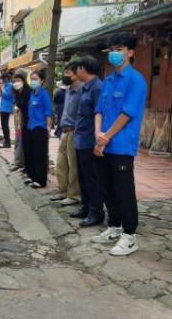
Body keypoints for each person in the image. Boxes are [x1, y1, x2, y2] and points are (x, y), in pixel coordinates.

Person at [91, 32, 147, 257]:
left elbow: (127, 114)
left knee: (124, 190)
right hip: (102, 144)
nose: (114, 53)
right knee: (106, 188)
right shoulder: (108, 80)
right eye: (112, 49)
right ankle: (114, 227)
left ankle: (130, 235)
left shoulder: (136, 81)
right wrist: (98, 134)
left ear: (131, 52)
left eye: (120, 49)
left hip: (121, 145)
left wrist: (106, 136)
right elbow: (99, 110)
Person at [72, 55, 105, 227]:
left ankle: (96, 212)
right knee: (83, 177)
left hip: (89, 140)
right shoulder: (86, 87)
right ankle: (85, 207)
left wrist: (96, 142)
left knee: (92, 178)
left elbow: (99, 115)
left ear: (82, 69)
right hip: (80, 139)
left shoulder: (97, 88)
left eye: (77, 68)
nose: (76, 71)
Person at [53, 61, 83, 207]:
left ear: (77, 73)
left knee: (73, 165)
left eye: (68, 72)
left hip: (74, 130)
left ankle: (74, 195)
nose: (65, 75)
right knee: (61, 163)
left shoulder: (82, 89)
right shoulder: (69, 90)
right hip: (64, 130)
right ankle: (63, 191)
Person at [24, 69, 52, 189]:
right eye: (32, 79)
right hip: (31, 127)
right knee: (32, 153)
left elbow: (48, 113)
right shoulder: (32, 93)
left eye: (35, 79)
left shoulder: (44, 94)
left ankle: (41, 180)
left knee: (40, 155)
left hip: (40, 127)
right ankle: (33, 177)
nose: (33, 81)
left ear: (42, 81)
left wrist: (48, 127)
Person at [9, 70, 31, 172]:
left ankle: (24, 164)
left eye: (19, 80)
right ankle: (18, 162)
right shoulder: (17, 92)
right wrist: (19, 123)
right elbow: (19, 108)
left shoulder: (28, 92)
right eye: (15, 80)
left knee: (26, 143)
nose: (16, 82)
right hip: (20, 119)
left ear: (24, 80)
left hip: (29, 120)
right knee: (18, 140)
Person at [0, 72, 14, 148]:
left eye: (3, 79)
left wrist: (1, 89)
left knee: (5, 125)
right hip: (3, 107)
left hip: (6, 107)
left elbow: (7, 96)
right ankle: (6, 141)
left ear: (6, 78)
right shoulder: (6, 85)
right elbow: (3, 95)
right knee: (4, 125)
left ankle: (7, 142)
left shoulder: (10, 85)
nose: (2, 81)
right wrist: (1, 90)